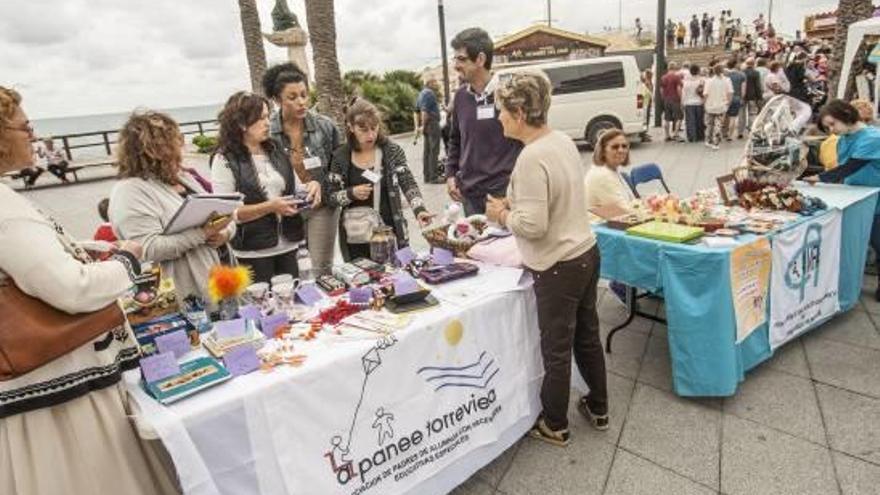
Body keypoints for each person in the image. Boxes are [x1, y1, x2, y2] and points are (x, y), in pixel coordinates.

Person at [0, 86, 174, 495]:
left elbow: (32, 260)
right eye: (24, 126)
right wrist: (127, 262)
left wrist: (89, 248)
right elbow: (70, 288)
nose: (34, 134)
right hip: (58, 396)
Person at [485, 71, 607, 446]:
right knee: (587, 336)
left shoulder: (530, 157)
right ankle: (599, 407)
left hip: (558, 266)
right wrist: (515, 203)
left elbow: (534, 226)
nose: (499, 117)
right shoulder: (561, 141)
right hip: (586, 251)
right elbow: (556, 196)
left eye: (502, 110)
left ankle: (555, 422)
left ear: (519, 112)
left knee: (556, 347)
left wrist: (501, 215)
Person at [110, 111, 235, 304]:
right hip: (186, 292)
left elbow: (221, 215)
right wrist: (203, 233)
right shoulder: (130, 191)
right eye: (176, 139)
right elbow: (147, 248)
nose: (182, 145)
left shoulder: (181, 177)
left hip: (223, 277)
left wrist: (224, 233)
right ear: (155, 149)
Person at [212, 91, 312, 283]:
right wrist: (270, 207)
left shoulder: (276, 149)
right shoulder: (224, 159)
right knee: (264, 309)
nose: (268, 123)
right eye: (261, 118)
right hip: (253, 252)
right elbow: (227, 213)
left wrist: (310, 188)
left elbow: (297, 188)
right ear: (241, 124)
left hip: (291, 245)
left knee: (298, 307)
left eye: (268, 116)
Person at [327, 99, 432, 261]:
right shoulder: (340, 157)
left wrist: (420, 210)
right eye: (363, 129)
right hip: (357, 238)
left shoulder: (392, 151)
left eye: (374, 128)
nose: (370, 135)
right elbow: (330, 196)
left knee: (398, 279)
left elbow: (408, 182)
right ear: (350, 127)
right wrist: (351, 193)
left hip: (392, 232)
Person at [264, 62, 341, 277]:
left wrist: (322, 184)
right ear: (277, 100)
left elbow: (339, 167)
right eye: (292, 97)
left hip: (322, 206)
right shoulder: (267, 133)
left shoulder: (325, 126)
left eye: (304, 95)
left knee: (320, 270)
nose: (301, 102)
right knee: (294, 273)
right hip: (287, 210)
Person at [805, 100, 880, 300]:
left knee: (878, 240)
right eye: (827, 127)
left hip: (874, 197)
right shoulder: (843, 138)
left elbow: (851, 166)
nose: (831, 130)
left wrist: (819, 178)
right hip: (852, 195)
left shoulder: (872, 137)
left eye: (832, 124)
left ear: (847, 116)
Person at [446, 27, 522, 216]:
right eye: (454, 59)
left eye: (461, 59)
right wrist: (450, 175)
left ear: (480, 59)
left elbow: (526, 139)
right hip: (470, 194)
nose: (455, 65)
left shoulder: (509, 94)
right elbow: (455, 140)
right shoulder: (460, 97)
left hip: (503, 194)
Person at [584, 128, 634, 213]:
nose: (621, 150)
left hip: (615, 220)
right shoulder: (602, 175)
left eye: (624, 146)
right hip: (600, 224)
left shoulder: (612, 170)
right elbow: (623, 210)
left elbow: (631, 202)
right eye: (615, 147)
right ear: (603, 151)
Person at [414, 79, 444, 184]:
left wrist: (418, 127)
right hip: (432, 123)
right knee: (434, 151)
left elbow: (416, 111)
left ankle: (427, 176)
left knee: (427, 151)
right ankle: (434, 177)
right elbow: (424, 111)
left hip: (427, 125)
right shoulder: (429, 93)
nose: (437, 84)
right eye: (435, 82)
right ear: (429, 83)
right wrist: (423, 125)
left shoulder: (421, 94)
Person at [704, 64, 733, 150]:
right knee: (718, 124)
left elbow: (706, 94)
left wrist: (704, 104)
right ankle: (716, 142)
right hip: (721, 105)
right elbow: (730, 93)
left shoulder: (709, 81)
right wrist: (728, 103)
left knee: (710, 124)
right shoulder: (727, 80)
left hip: (710, 105)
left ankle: (708, 140)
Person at [723, 58, 747, 141]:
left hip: (726, 97)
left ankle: (724, 133)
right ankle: (730, 135)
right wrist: (742, 98)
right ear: (735, 64)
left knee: (726, 116)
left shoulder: (725, 75)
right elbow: (743, 89)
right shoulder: (742, 75)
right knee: (733, 117)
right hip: (736, 96)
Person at [660, 62, 684, 142]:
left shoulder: (663, 77)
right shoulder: (676, 77)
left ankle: (667, 135)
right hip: (675, 99)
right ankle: (676, 134)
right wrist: (681, 99)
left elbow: (661, 90)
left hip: (666, 99)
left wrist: (663, 98)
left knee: (667, 118)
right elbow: (679, 89)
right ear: (675, 68)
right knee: (679, 117)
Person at [682, 64, 707, 143]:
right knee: (699, 120)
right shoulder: (702, 81)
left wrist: (682, 103)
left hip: (688, 103)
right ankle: (700, 136)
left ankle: (692, 137)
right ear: (698, 71)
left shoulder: (686, 82)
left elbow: (684, 94)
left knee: (690, 121)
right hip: (699, 103)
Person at [743, 57, 764, 134]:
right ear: (753, 64)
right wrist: (760, 97)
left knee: (742, 113)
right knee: (752, 113)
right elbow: (757, 86)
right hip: (753, 95)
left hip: (743, 95)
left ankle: (741, 129)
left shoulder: (742, 72)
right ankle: (751, 127)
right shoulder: (756, 73)